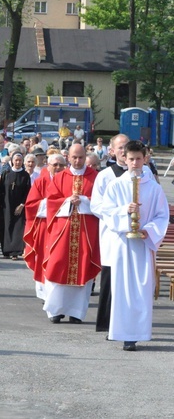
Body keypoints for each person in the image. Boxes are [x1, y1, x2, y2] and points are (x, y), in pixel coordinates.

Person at [100, 141, 169, 351]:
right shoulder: (116, 185)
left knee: (141, 289)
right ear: (124, 159)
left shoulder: (154, 187)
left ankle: (139, 332)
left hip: (142, 245)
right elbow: (107, 212)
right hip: (123, 244)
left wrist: (148, 229)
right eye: (131, 159)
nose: (135, 163)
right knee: (122, 289)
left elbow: (162, 215)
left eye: (139, 159)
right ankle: (122, 333)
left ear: (145, 159)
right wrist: (124, 210)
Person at [42, 143, 101, 324]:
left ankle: (76, 312)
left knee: (82, 267)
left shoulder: (96, 178)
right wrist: (67, 201)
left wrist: (83, 200)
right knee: (57, 265)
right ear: (68, 157)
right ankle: (56, 310)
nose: (77, 161)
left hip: (85, 232)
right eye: (74, 157)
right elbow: (50, 202)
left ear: (86, 157)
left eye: (81, 157)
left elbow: (103, 202)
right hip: (63, 231)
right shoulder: (60, 177)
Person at [89, 134, 129, 333]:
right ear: (111, 151)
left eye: (127, 147)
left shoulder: (143, 172)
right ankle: (106, 321)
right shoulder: (104, 176)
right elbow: (97, 205)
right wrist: (121, 214)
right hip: (112, 234)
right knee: (111, 277)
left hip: (135, 237)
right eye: (120, 147)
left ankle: (129, 322)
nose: (124, 150)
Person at [24, 154, 66, 300]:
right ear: (48, 165)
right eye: (55, 165)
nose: (58, 168)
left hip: (64, 228)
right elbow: (31, 206)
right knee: (43, 257)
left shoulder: (70, 182)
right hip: (44, 227)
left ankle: (60, 295)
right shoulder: (41, 182)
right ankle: (44, 293)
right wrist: (55, 204)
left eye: (61, 165)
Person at [0, 152, 31, 260]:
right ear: (12, 161)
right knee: (5, 226)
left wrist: (22, 204)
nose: (18, 162)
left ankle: (15, 251)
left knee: (17, 228)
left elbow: (28, 192)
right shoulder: (6, 173)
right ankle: (6, 250)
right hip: (5, 205)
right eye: (16, 160)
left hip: (19, 206)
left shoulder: (25, 175)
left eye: (20, 160)